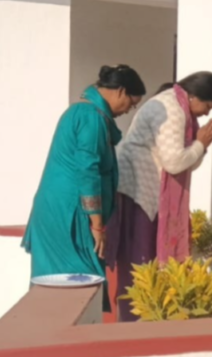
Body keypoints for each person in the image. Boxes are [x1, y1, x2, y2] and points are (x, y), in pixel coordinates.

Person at [22, 65, 146, 309]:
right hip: (70, 214)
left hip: (62, 209)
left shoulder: (86, 113)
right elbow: (88, 172)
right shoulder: (90, 117)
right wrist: (98, 225)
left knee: (67, 288)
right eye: (131, 104)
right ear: (121, 91)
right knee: (74, 287)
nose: (127, 111)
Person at [107, 72, 212, 322]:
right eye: (208, 106)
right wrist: (200, 144)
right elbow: (174, 163)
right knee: (140, 267)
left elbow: (187, 163)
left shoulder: (180, 107)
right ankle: (134, 328)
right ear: (194, 96)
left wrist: (200, 146)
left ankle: (150, 323)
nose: (207, 113)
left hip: (149, 196)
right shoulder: (173, 109)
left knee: (148, 265)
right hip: (138, 193)